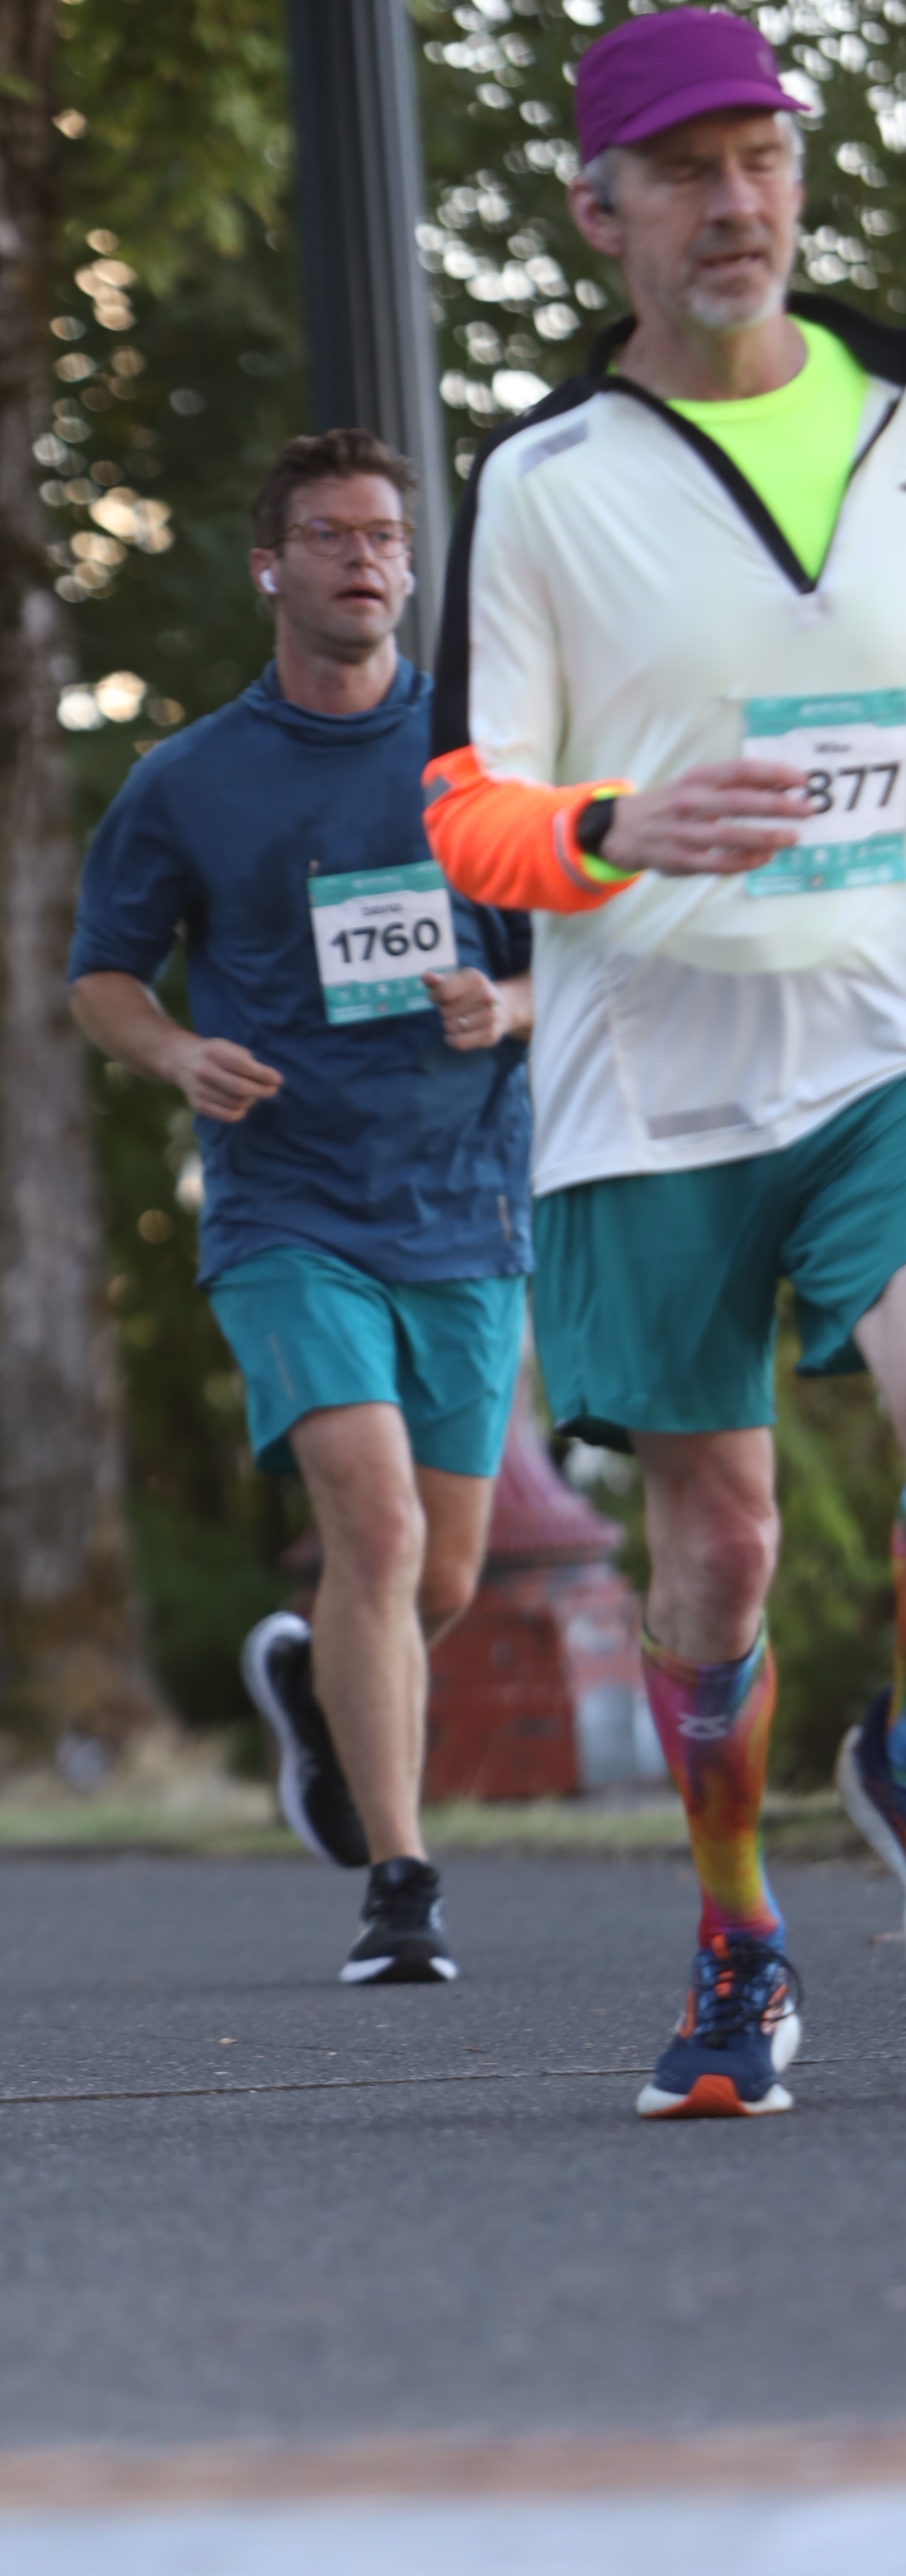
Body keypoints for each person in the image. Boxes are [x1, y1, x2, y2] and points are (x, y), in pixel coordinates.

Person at [425, 6, 906, 2115]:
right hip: (648, 1078)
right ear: (596, 212)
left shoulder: (896, 422)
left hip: (881, 1029)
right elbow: (468, 818)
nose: (736, 203)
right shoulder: (540, 487)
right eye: (688, 170)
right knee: (717, 1552)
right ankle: (738, 1947)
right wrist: (622, 827)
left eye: (762, 159)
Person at [68, 426, 533, 1984]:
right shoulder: (190, 780)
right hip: (290, 1209)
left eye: (386, 536)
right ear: (271, 567)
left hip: (465, 1201)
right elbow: (102, 980)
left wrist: (506, 1007)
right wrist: (178, 1052)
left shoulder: (484, 758)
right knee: (375, 1526)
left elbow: (585, 957)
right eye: (331, 535)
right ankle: (401, 1886)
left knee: (439, 1578)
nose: (365, 560)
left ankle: (328, 1712)